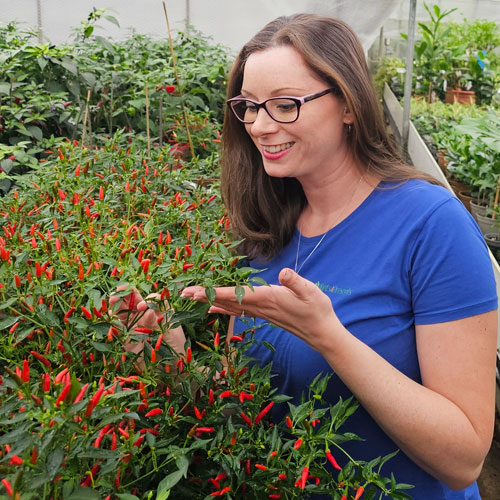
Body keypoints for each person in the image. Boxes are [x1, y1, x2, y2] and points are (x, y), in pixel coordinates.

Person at [121, 14, 499, 500]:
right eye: (249, 106)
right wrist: (167, 356)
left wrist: (329, 337)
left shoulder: (430, 223)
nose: (259, 125)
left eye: (285, 105)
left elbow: (463, 458)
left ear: (348, 105)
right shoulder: (265, 228)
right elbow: (256, 399)